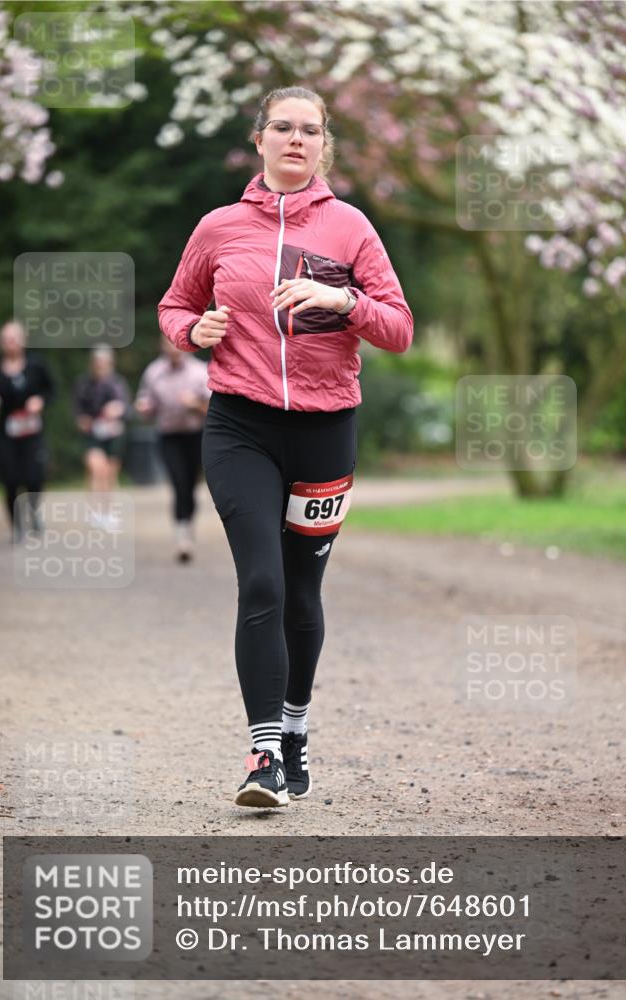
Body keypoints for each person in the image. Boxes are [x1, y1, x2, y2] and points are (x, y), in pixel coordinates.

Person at [158, 86, 413, 809]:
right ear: (260, 139)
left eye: (310, 130)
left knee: (302, 593)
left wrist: (344, 302)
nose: (295, 139)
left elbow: (398, 328)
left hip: (325, 431)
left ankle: (296, 729)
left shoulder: (350, 228)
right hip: (239, 426)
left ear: (323, 144)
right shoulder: (218, 227)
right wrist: (191, 332)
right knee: (262, 583)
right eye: (282, 127)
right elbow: (175, 305)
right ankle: (264, 755)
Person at [135, 336, 211, 562]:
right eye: (168, 344)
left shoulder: (199, 371)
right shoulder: (153, 372)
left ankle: (188, 522)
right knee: (178, 482)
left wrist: (195, 404)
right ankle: (182, 535)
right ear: (161, 346)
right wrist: (144, 408)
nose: (173, 348)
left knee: (190, 484)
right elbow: (146, 403)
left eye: (176, 343)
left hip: (195, 435)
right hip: (168, 436)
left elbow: (212, 408)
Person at [0, 320, 55, 541]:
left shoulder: (36, 365)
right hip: (6, 433)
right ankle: (17, 527)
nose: (10, 343)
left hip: (32, 432)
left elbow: (51, 391)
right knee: (10, 479)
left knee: (35, 477)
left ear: (23, 340)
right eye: (6, 340)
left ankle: (33, 510)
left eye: (14, 339)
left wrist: (40, 401)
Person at [74, 345, 130, 529]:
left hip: (114, 436)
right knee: (97, 469)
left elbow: (127, 410)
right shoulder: (84, 384)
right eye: (98, 362)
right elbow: (78, 411)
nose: (101, 365)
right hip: (93, 434)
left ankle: (107, 511)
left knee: (110, 474)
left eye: (105, 362)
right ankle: (95, 511)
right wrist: (83, 420)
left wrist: (117, 410)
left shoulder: (118, 384)